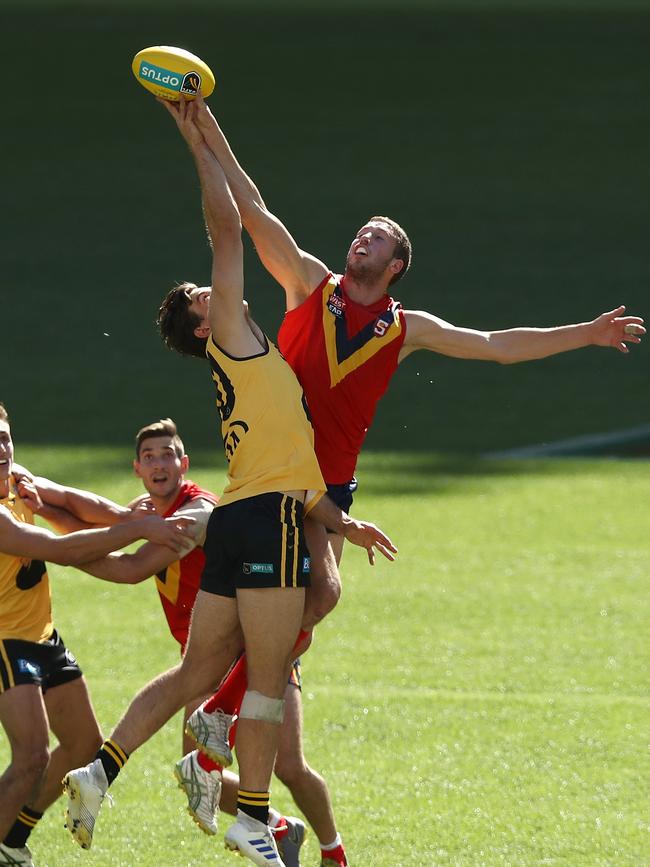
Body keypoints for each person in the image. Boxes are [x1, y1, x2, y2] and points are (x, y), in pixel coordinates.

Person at [156, 91, 646, 867]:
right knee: (312, 597)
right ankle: (217, 728)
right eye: (361, 231)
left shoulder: (403, 328)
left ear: (396, 265)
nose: (362, 238)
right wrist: (199, 122)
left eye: (376, 237)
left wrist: (584, 333)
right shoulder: (306, 285)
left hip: (331, 488)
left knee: (320, 594)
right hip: (277, 477)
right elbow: (248, 204)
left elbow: (494, 343)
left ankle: (216, 723)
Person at [62, 98, 395, 867]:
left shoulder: (247, 361)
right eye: (204, 297)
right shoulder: (239, 336)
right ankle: (251, 815)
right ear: (205, 325)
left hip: (245, 509)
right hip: (271, 520)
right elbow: (229, 226)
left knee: (194, 670)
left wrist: (344, 525)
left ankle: (99, 770)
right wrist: (198, 147)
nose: (214, 292)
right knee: (271, 679)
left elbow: (290, 462)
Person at [30, 417, 311, 861]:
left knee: (291, 767)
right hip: (203, 655)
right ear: (138, 468)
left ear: (185, 462)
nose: (159, 463)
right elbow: (88, 508)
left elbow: (129, 568)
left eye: (167, 454)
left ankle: (332, 849)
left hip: (247, 650)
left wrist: (52, 548)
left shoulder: (195, 513)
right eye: (149, 457)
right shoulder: (150, 510)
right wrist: (39, 500)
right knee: (198, 777)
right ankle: (278, 826)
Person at [0, 403, 195, 867]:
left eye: (4, 437)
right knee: (31, 756)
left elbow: (71, 502)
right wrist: (142, 528)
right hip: (5, 642)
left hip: (42, 635)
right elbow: (58, 548)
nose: (2, 449)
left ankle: (12, 840)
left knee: (84, 745)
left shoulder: (14, 477)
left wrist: (125, 518)